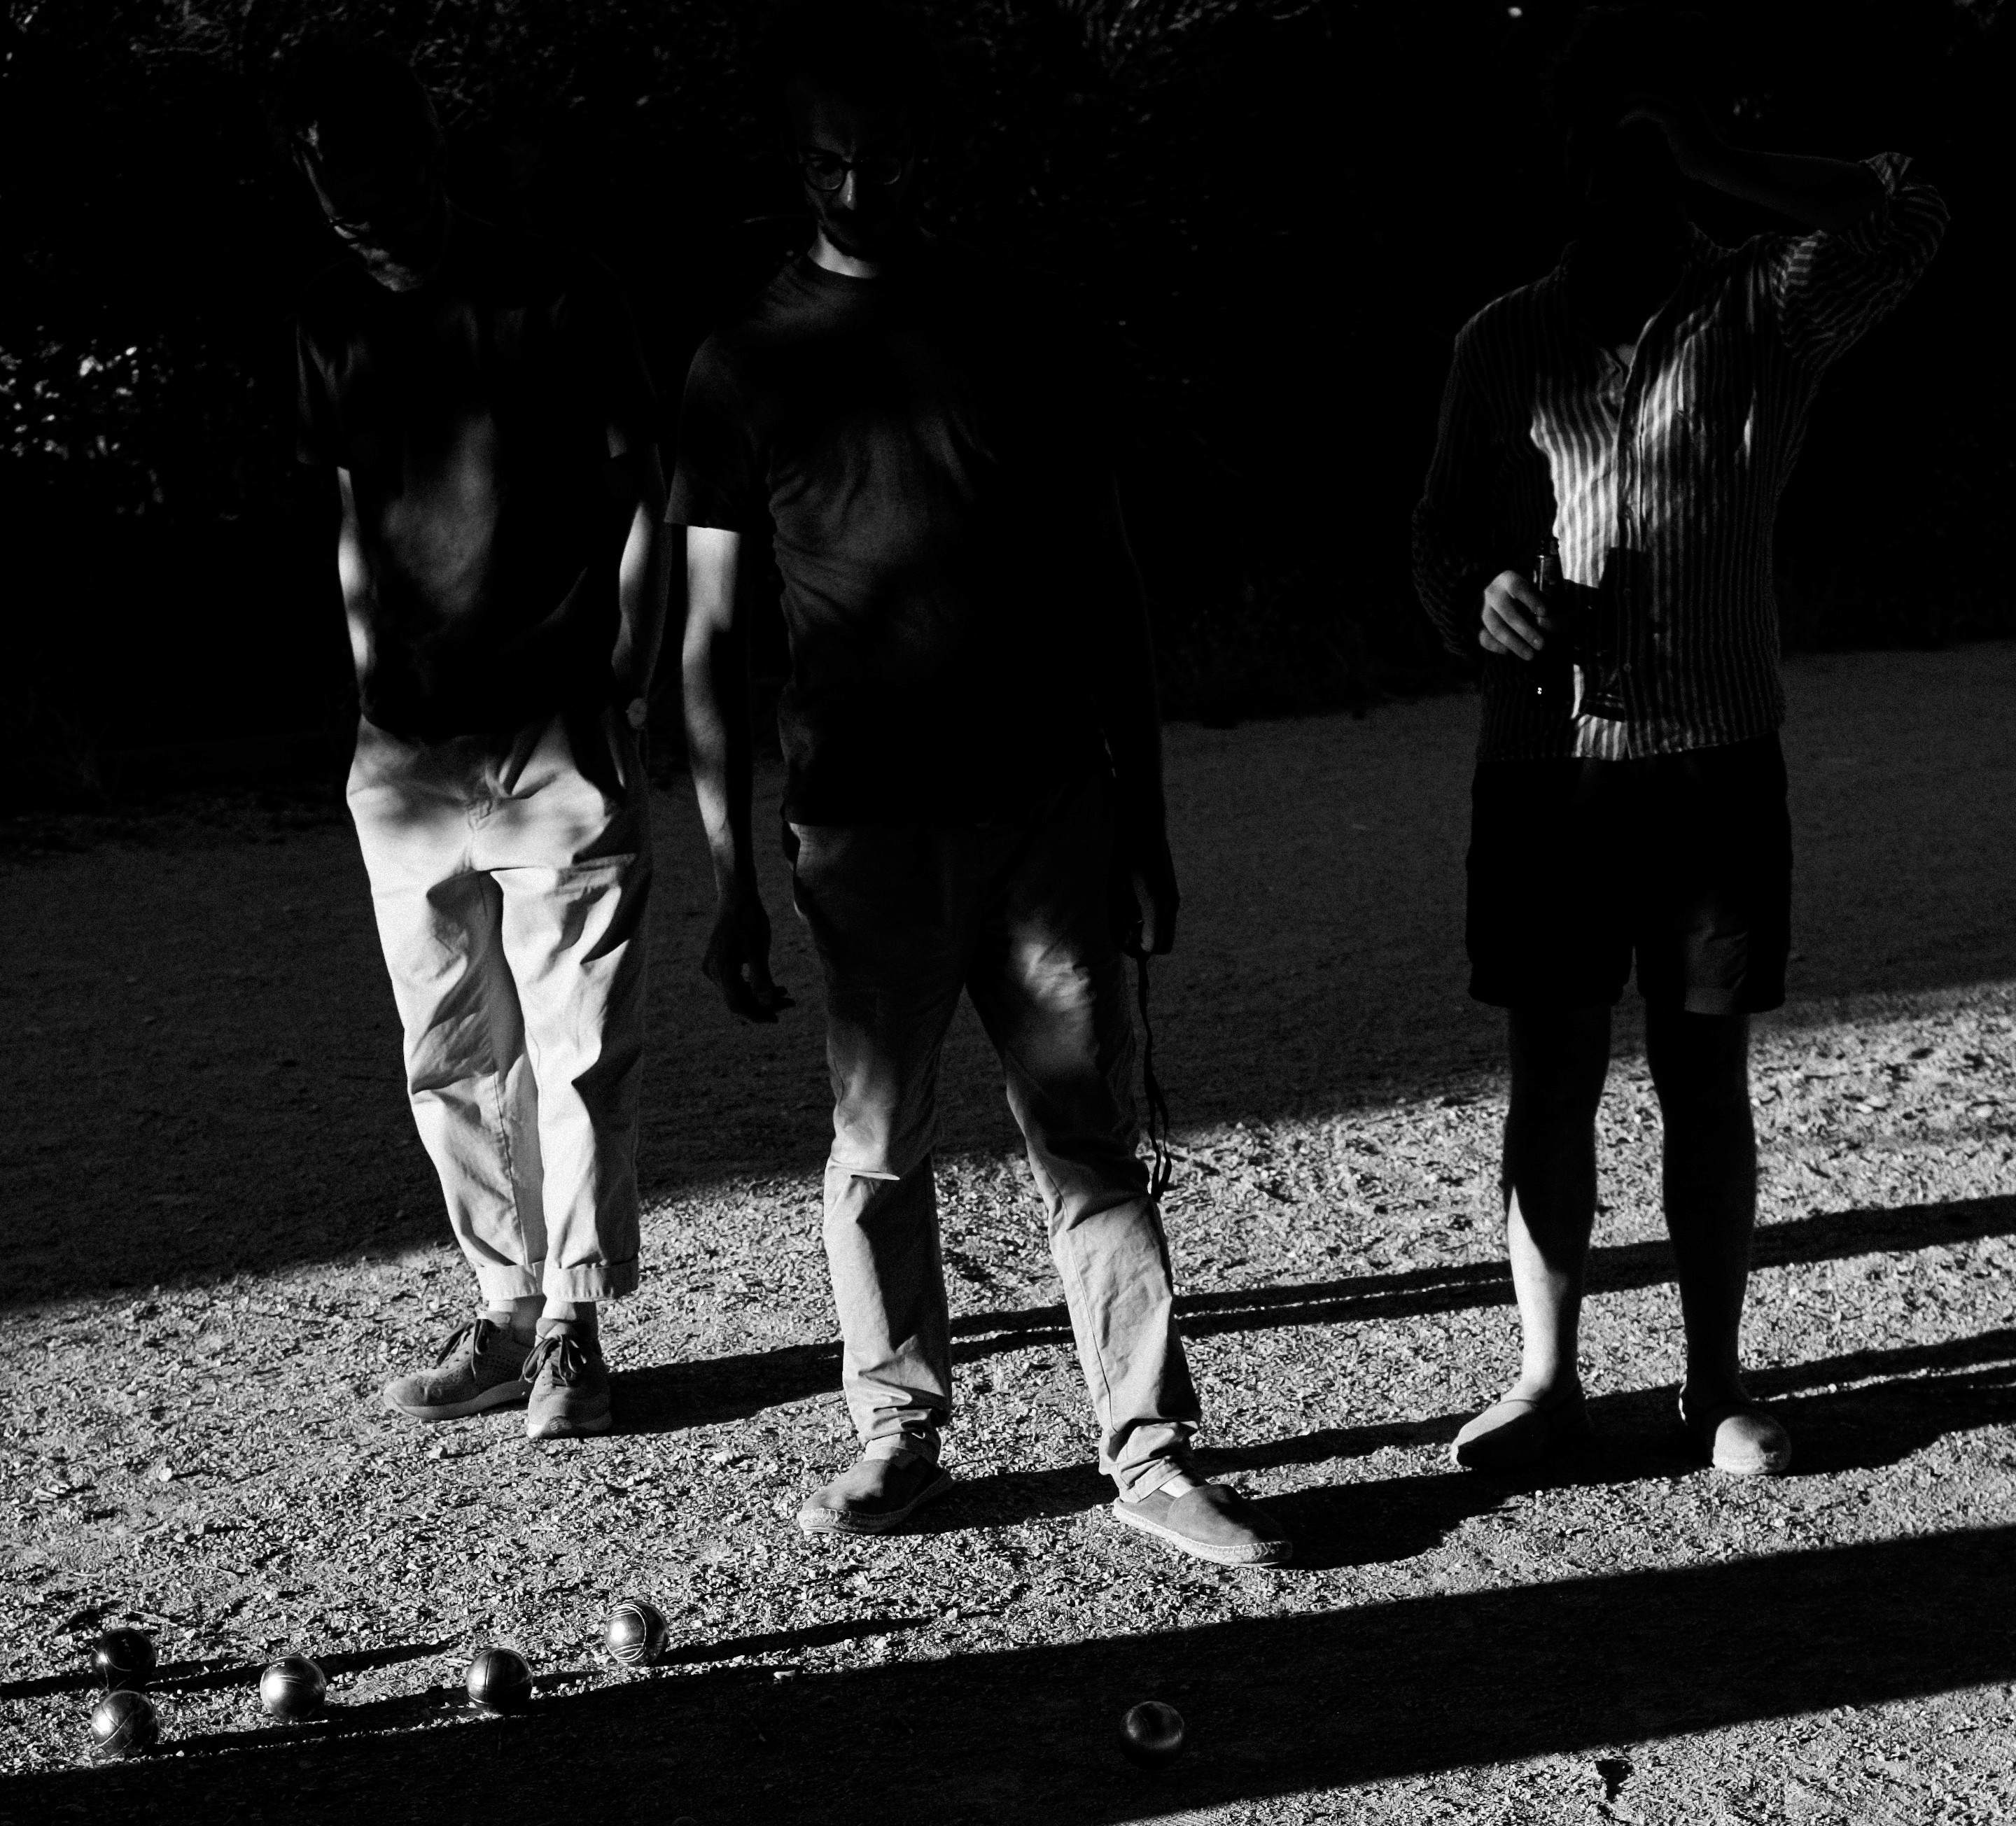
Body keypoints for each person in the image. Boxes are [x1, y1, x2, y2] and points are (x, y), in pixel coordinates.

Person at [669, 1, 1287, 1564]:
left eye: (878, 159)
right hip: (862, 821)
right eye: (826, 163)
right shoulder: (741, 369)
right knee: (876, 1145)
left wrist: (1141, 814)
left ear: (927, 154)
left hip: (1041, 807)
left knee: (1085, 1139)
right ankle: (901, 1431)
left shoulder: (1021, 326)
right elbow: (709, 636)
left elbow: (1108, 585)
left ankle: (1147, 1453)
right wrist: (729, 872)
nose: (855, 190)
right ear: (795, 164)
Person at [1413, 6, 1945, 1480]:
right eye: (1605, 141)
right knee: (1554, 1077)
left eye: (1654, 140)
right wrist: (1481, 599)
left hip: (1714, 759)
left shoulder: (1765, 311)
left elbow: (1911, 214)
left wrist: (1716, 157)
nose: (1626, 171)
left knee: (1704, 1079)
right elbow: (1440, 533)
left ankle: (1713, 1388)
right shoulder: (1501, 341)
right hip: (1545, 766)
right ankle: (1545, 1380)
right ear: (1562, 160)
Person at [285, 43, 668, 1439]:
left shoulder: (557, 292)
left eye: (374, 174)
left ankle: (573, 1318)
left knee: (577, 1045)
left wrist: (629, 667)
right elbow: (349, 510)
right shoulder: (331, 318)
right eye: (329, 186)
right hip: (405, 752)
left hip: (550, 727)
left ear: (429, 147)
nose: (356, 207)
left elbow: (644, 486)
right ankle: (505, 1313)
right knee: (448, 1049)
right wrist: (367, 675)